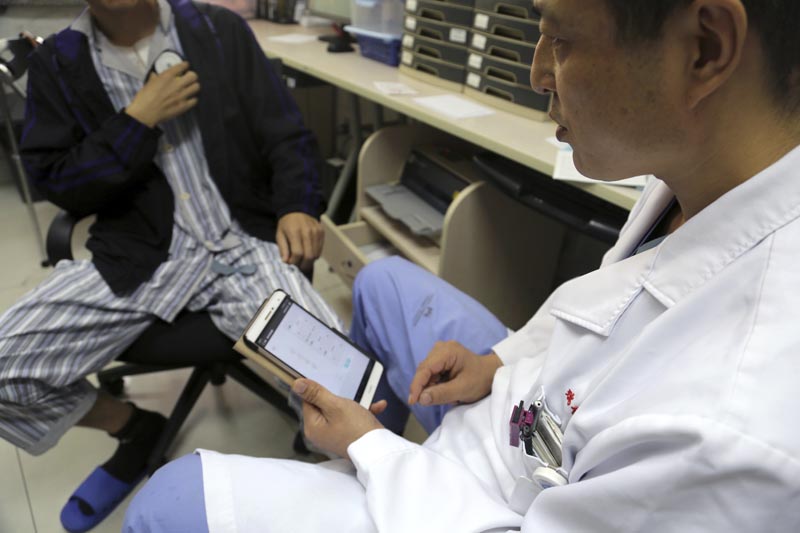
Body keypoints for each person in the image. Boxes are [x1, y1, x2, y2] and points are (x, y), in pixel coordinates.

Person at [125, 0, 800, 530]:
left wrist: (375, 451)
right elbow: (610, 306)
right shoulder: (703, 174)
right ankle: (371, 448)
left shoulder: (728, 431)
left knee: (168, 502)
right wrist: (499, 360)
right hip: (532, 421)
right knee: (381, 281)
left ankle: (370, 465)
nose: (537, 73)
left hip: (496, 496)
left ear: (705, 48)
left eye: (561, 39)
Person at [0, 0, 342, 530]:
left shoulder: (218, 31)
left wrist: (297, 204)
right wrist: (136, 122)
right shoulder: (59, 63)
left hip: (244, 245)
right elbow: (61, 184)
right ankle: (135, 429)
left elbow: (286, 134)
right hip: (141, 256)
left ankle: (334, 486)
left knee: (343, 386)